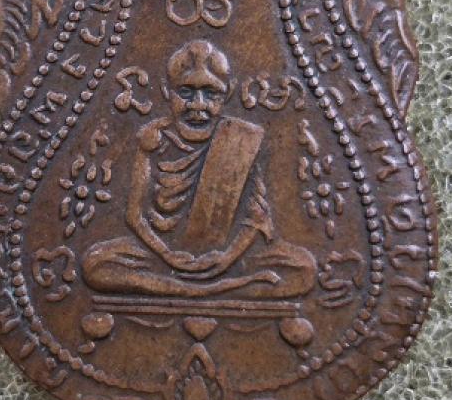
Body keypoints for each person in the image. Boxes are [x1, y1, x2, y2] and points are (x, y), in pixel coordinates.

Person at [82, 40, 316, 299]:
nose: (198, 105)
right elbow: (134, 216)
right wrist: (168, 255)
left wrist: (227, 259)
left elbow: (257, 218)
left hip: (225, 257)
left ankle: (188, 288)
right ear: (167, 91)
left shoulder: (241, 139)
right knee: (96, 264)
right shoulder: (152, 138)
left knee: (303, 268)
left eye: (211, 93)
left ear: (228, 92)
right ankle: (219, 289)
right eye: (185, 92)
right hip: (158, 254)